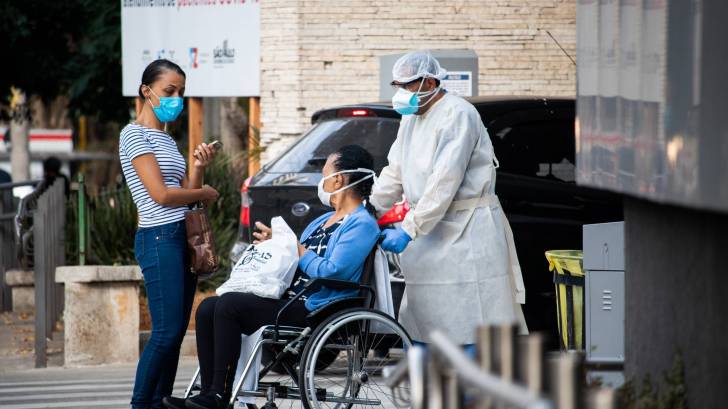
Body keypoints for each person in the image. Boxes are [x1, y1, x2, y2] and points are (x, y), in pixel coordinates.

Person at [163, 145, 380, 409]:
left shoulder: (362, 224)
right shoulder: (321, 221)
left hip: (318, 308)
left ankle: (220, 395)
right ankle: (210, 392)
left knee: (230, 306)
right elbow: (294, 259)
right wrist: (276, 243)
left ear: (339, 179)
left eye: (324, 175)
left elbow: (334, 271)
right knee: (208, 307)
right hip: (290, 297)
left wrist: (297, 249)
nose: (321, 182)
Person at [370, 50, 527, 348]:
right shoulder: (412, 119)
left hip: (466, 231)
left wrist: (409, 227)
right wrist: (369, 207)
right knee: (427, 318)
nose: (402, 94)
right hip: (429, 233)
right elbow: (395, 170)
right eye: (398, 87)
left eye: (407, 86)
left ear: (429, 83)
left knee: (471, 315)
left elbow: (444, 182)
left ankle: (475, 386)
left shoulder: (458, 114)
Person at [120, 59, 220, 409]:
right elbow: (161, 195)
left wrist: (197, 168)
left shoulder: (165, 138)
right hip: (158, 237)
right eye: (169, 91)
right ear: (147, 92)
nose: (176, 98)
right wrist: (203, 191)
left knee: (176, 333)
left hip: (181, 237)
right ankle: (141, 404)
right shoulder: (133, 135)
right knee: (164, 332)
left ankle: (160, 402)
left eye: (181, 92)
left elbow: (184, 196)